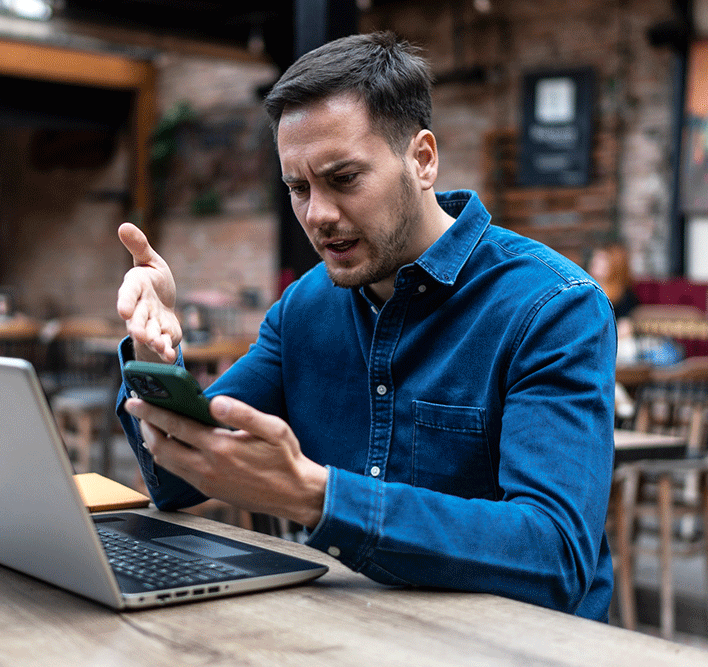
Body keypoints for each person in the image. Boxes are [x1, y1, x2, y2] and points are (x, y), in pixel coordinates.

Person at [114, 32, 616, 621]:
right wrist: (155, 357)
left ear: (422, 159)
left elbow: (554, 556)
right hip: (348, 632)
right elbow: (175, 480)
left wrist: (316, 497)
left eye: (344, 178)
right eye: (298, 188)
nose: (318, 215)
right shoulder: (305, 305)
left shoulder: (553, 306)